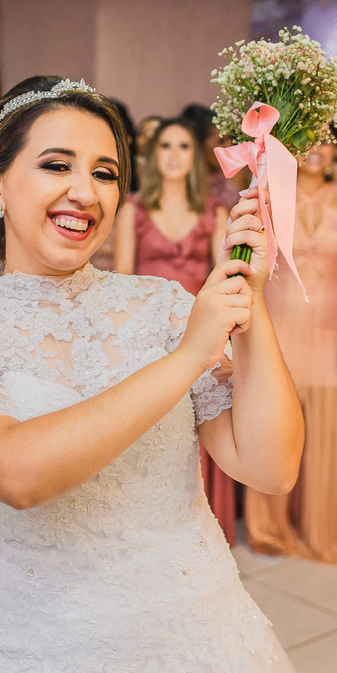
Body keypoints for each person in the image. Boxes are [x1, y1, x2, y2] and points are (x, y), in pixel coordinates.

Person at [0, 75, 316, 673]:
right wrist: (187, 356)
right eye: (55, 165)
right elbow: (18, 475)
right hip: (38, 666)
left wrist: (249, 294)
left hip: (204, 649)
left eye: (104, 172)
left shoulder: (160, 306)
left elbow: (270, 467)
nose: (84, 191)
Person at [245, 144, 337, 563]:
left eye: (327, 140)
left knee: (330, 427)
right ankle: (267, 525)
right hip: (280, 319)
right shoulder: (272, 191)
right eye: (309, 141)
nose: (318, 150)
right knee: (275, 420)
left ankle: (331, 524)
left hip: (331, 325)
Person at [113, 119, 234, 542]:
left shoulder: (214, 213)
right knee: (154, 425)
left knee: (205, 423)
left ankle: (203, 526)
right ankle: (150, 527)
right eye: (165, 145)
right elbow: (123, 280)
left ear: (194, 156)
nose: (174, 154)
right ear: (154, 154)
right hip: (148, 335)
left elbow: (223, 278)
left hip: (202, 330)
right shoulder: (134, 209)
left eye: (183, 145)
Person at [182, 102, 246, 212]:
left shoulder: (237, 176)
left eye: (230, 140)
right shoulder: (184, 183)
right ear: (199, 145)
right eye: (221, 141)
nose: (229, 146)